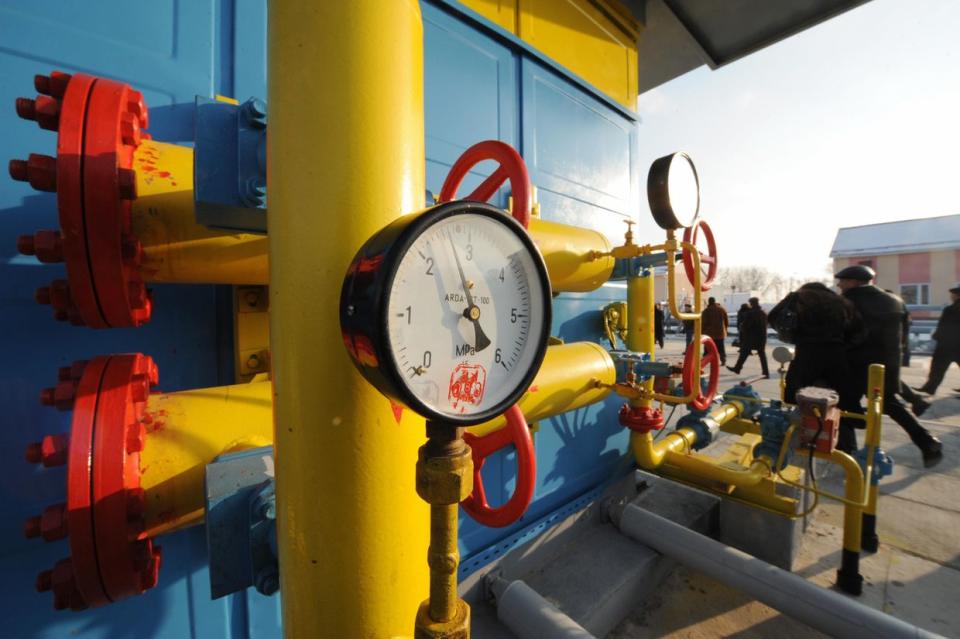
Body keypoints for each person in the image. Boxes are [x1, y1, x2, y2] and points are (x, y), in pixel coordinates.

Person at [836, 265, 943, 467]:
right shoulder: (895, 300)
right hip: (887, 363)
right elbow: (905, 330)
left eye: (842, 281)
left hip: (854, 363)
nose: (839, 285)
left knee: (842, 406)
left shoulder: (847, 302)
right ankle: (927, 442)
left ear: (853, 282)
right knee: (890, 404)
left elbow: (840, 332)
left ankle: (848, 456)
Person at [768, 282, 861, 414]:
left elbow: (773, 316)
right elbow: (858, 329)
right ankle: (851, 420)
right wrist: (842, 343)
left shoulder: (797, 298)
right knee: (843, 396)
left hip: (806, 352)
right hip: (836, 353)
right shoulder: (841, 301)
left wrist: (794, 336)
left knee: (795, 394)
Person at [915, 284, 960, 395]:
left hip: (947, 344)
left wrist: (937, 336)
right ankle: (929, 388)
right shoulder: (952, 308)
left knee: (937, 368)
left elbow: (944, 326)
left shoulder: (950, 309)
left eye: (953, 294)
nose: (951, 296)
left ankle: (930, 388)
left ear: (957, 295)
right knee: (938, 368)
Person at [727, 297, 769, 377]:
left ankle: (737, 368)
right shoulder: (763, 313)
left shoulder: (751, 313)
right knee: (762, 355)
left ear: (752, 303)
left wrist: (742, 328)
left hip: (751, 337)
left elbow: (746, 325)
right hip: (762, 337)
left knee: (744, 353)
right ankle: (766, 372)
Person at [701, 297, 729, 365]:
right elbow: (726, 321)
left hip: (709, 333)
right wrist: (725, 329)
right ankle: (723, 360)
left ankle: (704, 362)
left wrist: (702, 332)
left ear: (709, 302)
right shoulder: (722, 309)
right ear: (715, 301)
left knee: (707, 348)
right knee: (721, 347)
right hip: (720, 333)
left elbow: (703, 323)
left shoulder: (706, 311)